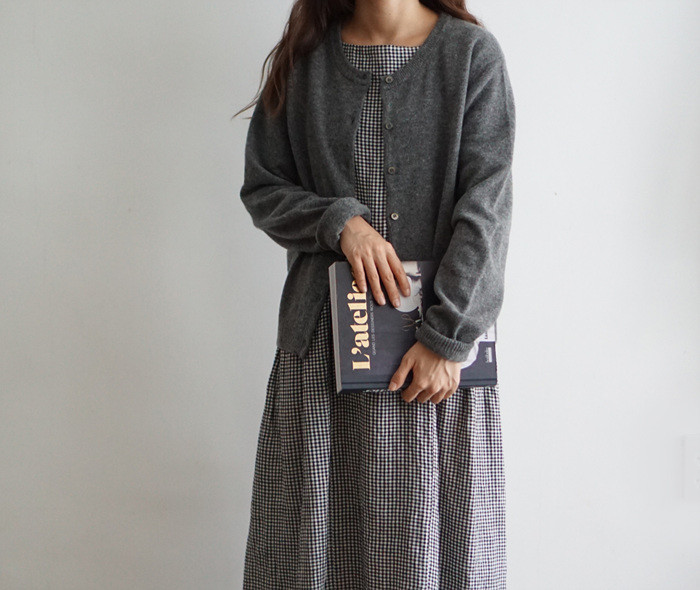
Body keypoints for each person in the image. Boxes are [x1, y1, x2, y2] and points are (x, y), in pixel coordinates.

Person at [234, 0, 515, 587]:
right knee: (314, 559)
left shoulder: (470, 56)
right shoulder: (305, 60)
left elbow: (486, 210)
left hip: (432, 368)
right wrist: (341, 223)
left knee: (429, 559)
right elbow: (263, 188)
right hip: (323, 362)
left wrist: (446, 338)